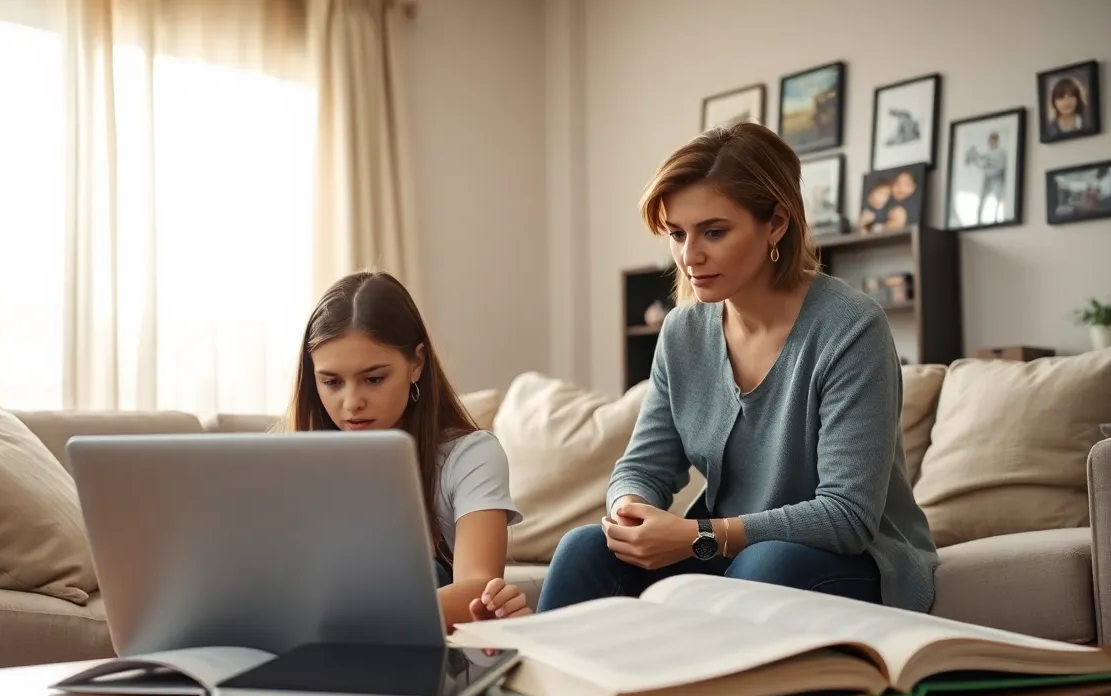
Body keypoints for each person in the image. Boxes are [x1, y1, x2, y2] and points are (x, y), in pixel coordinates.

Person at [537, 121, 939, 615]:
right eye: (677, 234)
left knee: (764, 568)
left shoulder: (851, 328)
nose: (690, 256)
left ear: (776, 223)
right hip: (725, 552)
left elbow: (848, 516)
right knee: (585, 548)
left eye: (714, 232)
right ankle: (538, 688)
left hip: (854, 558)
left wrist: (698, 536)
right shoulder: (682, 332)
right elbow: (643, 466)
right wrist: (630, 510)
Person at [285, 270, 531, 628]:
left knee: (420, 571)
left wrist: (353, 621)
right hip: (317, 630)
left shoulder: (471, 455)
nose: (352, 403)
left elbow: (478, 588)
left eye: (373, 379)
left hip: (408, 635)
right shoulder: (296, 461)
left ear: (416, 363)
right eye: (332, 382)